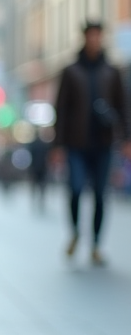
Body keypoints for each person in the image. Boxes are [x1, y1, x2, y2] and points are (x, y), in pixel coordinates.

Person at [54, 21, 130, 266]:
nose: (94, 40)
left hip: (104, 143)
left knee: (100, 194)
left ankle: (96, 244)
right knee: (75, 189)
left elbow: (123, 107)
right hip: (76, 144)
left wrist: (126, 138)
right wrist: (57, 144)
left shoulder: (111, 71)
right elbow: (61, 109)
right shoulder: (71, 71)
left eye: (98, 36)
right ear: (84, 38)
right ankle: (75, 232)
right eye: (90, 36)